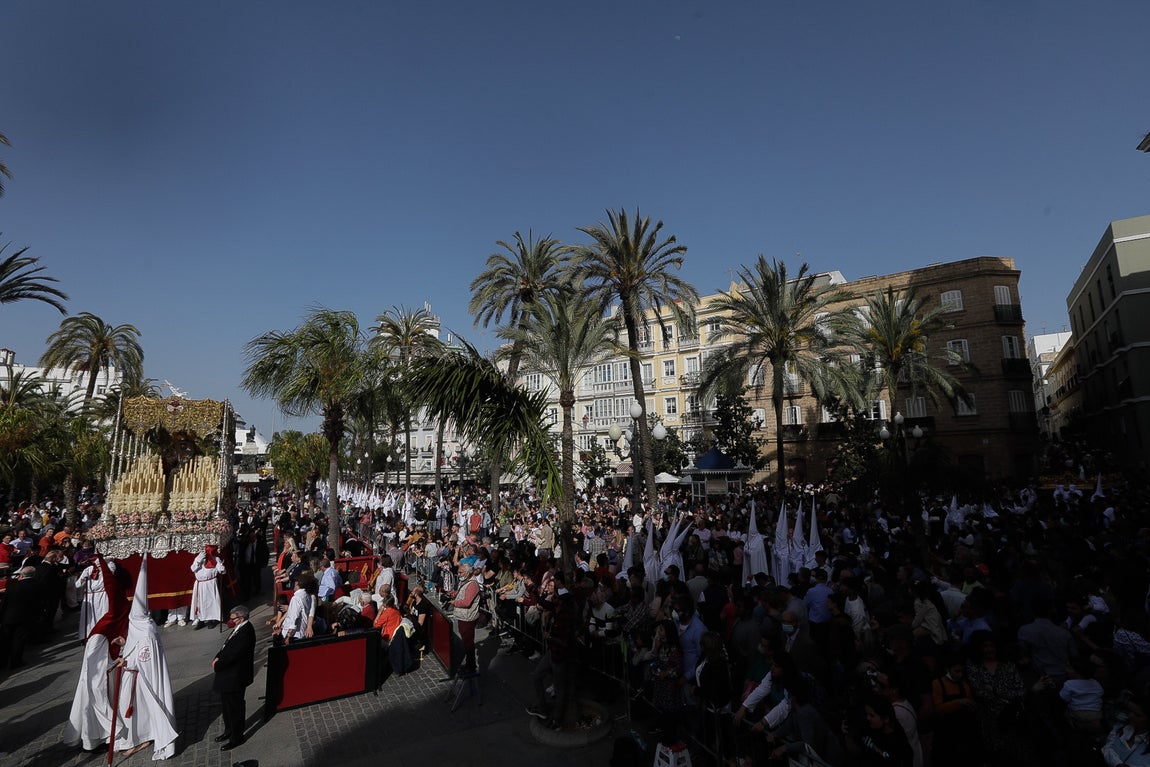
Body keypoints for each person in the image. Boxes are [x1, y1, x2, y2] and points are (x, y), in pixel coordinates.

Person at [112, 558, 178, 759]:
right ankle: (137, 737)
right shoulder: (140, 625)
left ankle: (137, 739)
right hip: (134, 677)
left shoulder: (146, 631)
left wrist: (126, 661)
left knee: (129, 707)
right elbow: (135, 644)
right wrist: (125, 644)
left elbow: (145, 658)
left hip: (142, 680)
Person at [65, 556, 128, 753]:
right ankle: (96, 738)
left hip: (106, 673)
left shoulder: (116, 619)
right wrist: (115, 661)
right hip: (97, 679)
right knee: (96, 702)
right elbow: (95, 667)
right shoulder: (99, 633)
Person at [212, 604, 255, 752]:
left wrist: (219, 664)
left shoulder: (246, 632)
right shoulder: (238, 629)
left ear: (241, 618)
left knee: (235, 708)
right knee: (227, 706)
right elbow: (226, 646)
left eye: (232, 618)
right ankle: (229, 730)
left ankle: (237, 737)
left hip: (236, 677)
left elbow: (234, 654)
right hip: (228, 677)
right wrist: (217, 656)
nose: (230, 621)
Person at [451, 562, 482, 674]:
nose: (458, 574)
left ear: (468, 573)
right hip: (463, 616)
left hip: (468, 617)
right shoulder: (465, 581)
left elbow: (467, 602)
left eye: (460, 572)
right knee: (466, 641)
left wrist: (455, 602)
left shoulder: (472, 584)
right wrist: (455, 593)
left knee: (468, 643)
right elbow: (463, 595)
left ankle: (471, 667)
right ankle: (469, 664)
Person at [77, 556, 115, 642]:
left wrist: (103, 568)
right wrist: (83, 578)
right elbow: (77, 585)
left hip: (102, 595)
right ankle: (87, 635)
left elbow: (111, 574)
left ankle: (103, 635)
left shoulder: (110, 566)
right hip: (90, 597)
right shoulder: (88, 570)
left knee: (102, 615)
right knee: (89, 618)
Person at [190, 545, 227, 629]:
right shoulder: (198, 558)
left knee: (210, 602)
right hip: (200, 584)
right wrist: (198, 560)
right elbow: (193, 569)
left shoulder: (216, 559)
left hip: (210, 583)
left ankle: (211, 620)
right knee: (200, 602)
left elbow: (222, 571)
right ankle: (201, 620)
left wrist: (221, 568)